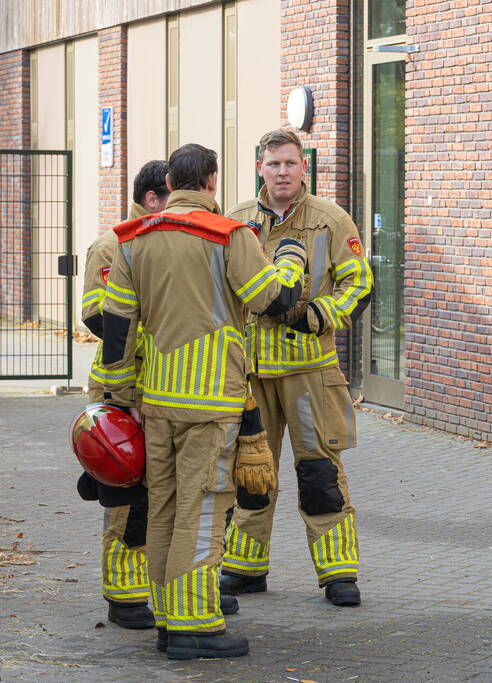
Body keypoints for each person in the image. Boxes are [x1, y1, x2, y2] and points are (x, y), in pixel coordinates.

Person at [99, 143, 306, 659]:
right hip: (212, 401)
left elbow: (116, 332)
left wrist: (121, 399)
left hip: (156, 401)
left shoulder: (132, 240)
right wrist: (290, 263)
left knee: (164, 507)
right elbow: (272, 300)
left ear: (170, 182)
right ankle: (197, 625)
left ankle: (169, 618)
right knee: (208, 507)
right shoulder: (229, 236)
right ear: (211, 181)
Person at [222, 128, 372, 607]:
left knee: (320, 474)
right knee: (250, 474)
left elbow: (359, 285)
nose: (282, 172)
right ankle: (244, 569)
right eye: (273, 164)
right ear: (259, 167)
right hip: (251, 374)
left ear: (304, 167)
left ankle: (338, 575)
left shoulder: (332, 219)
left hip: (310, 371)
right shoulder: (236, 220)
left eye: (290, 163)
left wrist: (316, 314)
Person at [76, 159, 169, 630]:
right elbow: (97, 316)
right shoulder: (113, 244)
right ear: (153, 199)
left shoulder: (165, 242)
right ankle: (125, 597)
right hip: (120, 385)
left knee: (163, 493)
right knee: (125, 495)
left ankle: (166, 588)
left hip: (163, 387)